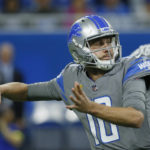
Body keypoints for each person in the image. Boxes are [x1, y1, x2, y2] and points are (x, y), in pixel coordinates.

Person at [0, 15, 150, 150]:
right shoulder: (71, 77)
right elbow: (28, 91)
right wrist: (2, 89)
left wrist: (90, 107)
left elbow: (136, 117)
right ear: (78, 48)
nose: (107, 48)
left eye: (108, 41)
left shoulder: (132, 67)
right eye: (98, 43)